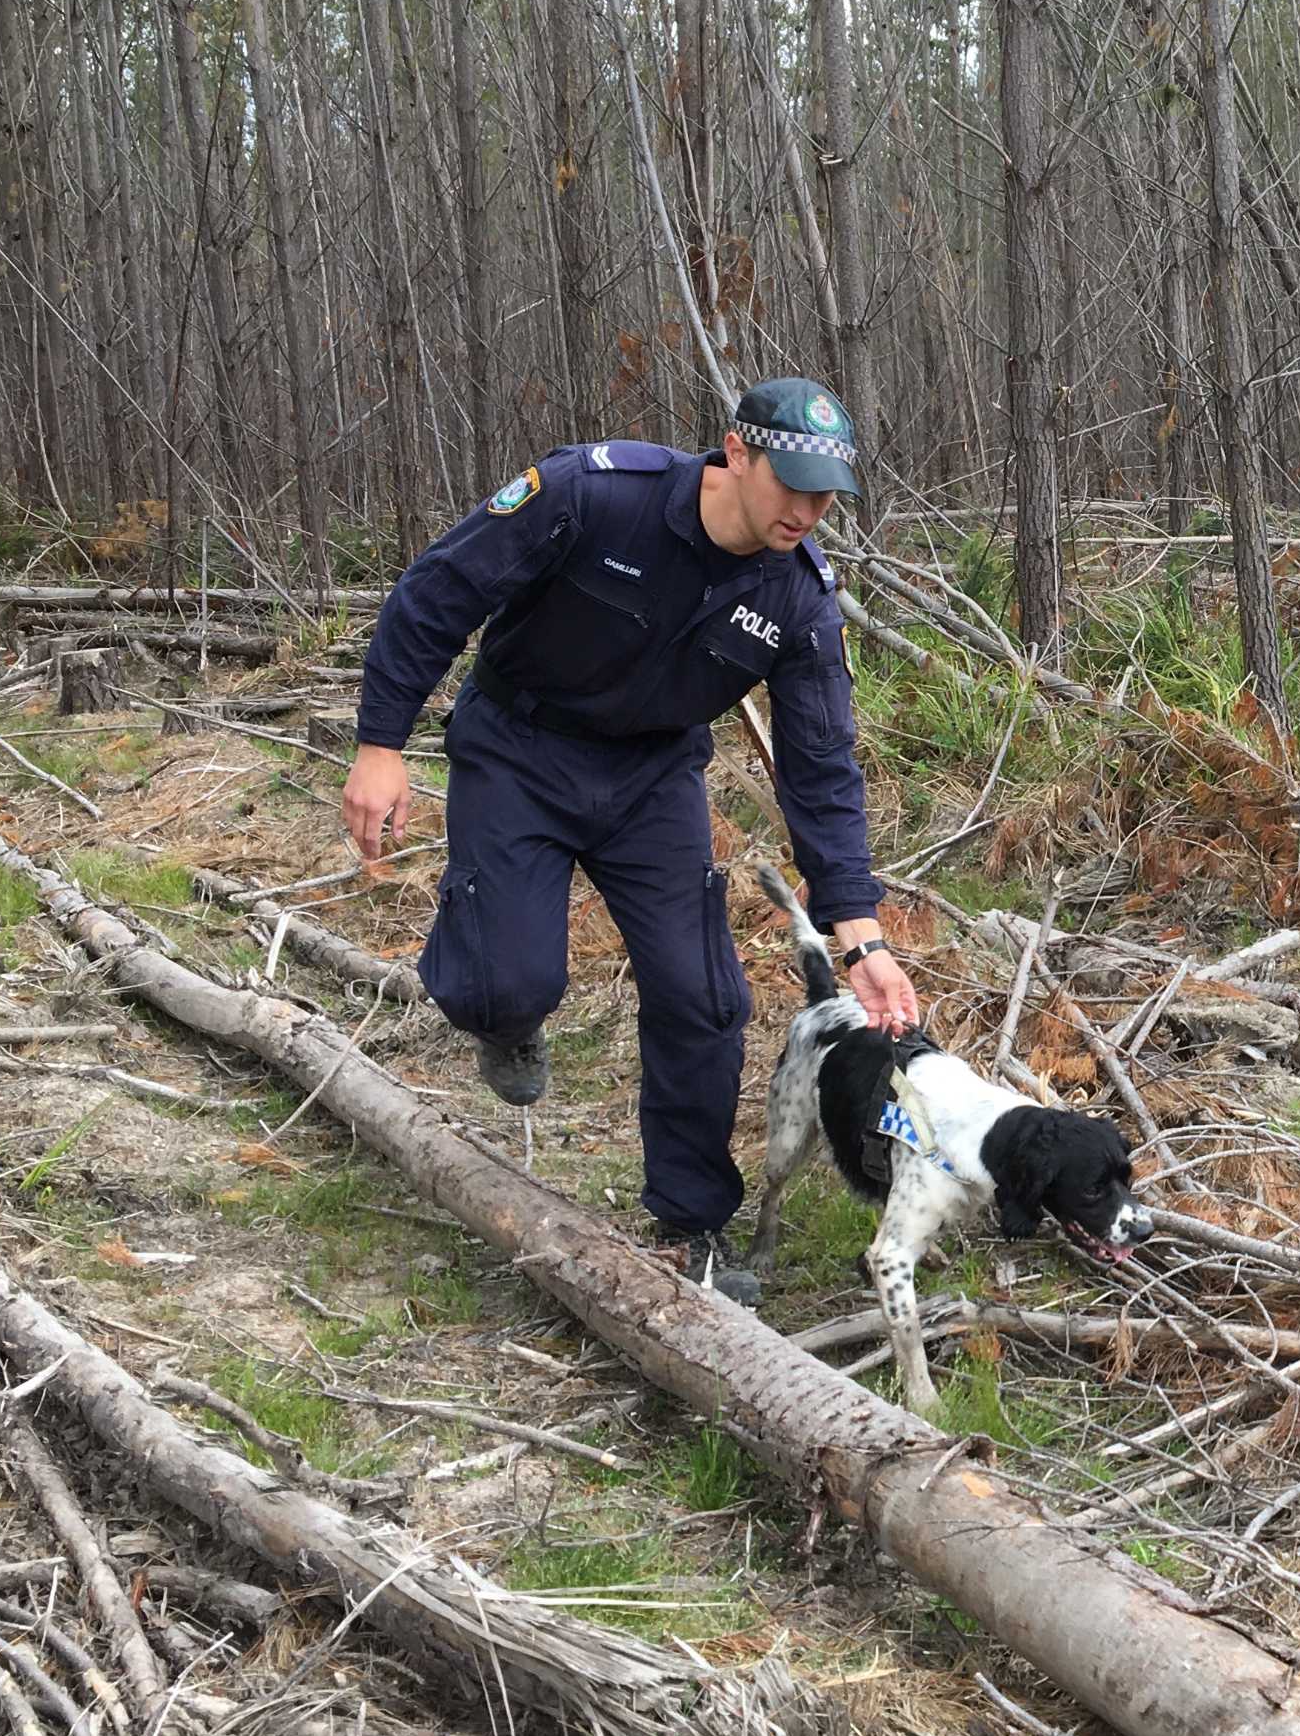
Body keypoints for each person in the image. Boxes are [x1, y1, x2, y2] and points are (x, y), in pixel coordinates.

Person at [339, 378, 916, 1303]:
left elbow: (821, 766)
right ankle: (502, 1013)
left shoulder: (798, 598)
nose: (807, 512)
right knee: (510, 982)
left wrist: (863, 936)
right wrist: (379, 744)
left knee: (703, 999)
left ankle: (692, 1224)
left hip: (652, 780)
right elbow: (439, 591)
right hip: (521, 747)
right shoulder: (594, 494)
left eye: (826, 496)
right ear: (737, 451)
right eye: (792, 485)